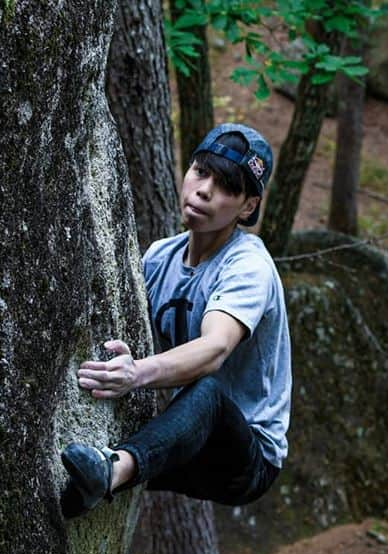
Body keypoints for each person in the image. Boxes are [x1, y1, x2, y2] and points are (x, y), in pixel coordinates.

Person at [59, 123, 290, 518]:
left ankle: (115, 469)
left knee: (210, 393)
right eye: (200, 172)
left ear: (248, 206)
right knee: (70, 487)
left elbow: (214, 349)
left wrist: (136, 373)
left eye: (226, 187)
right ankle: (112, 537)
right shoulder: (159, 258)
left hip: (246, 458)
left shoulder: (248, 265)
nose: (204, 190)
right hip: (186, 438)